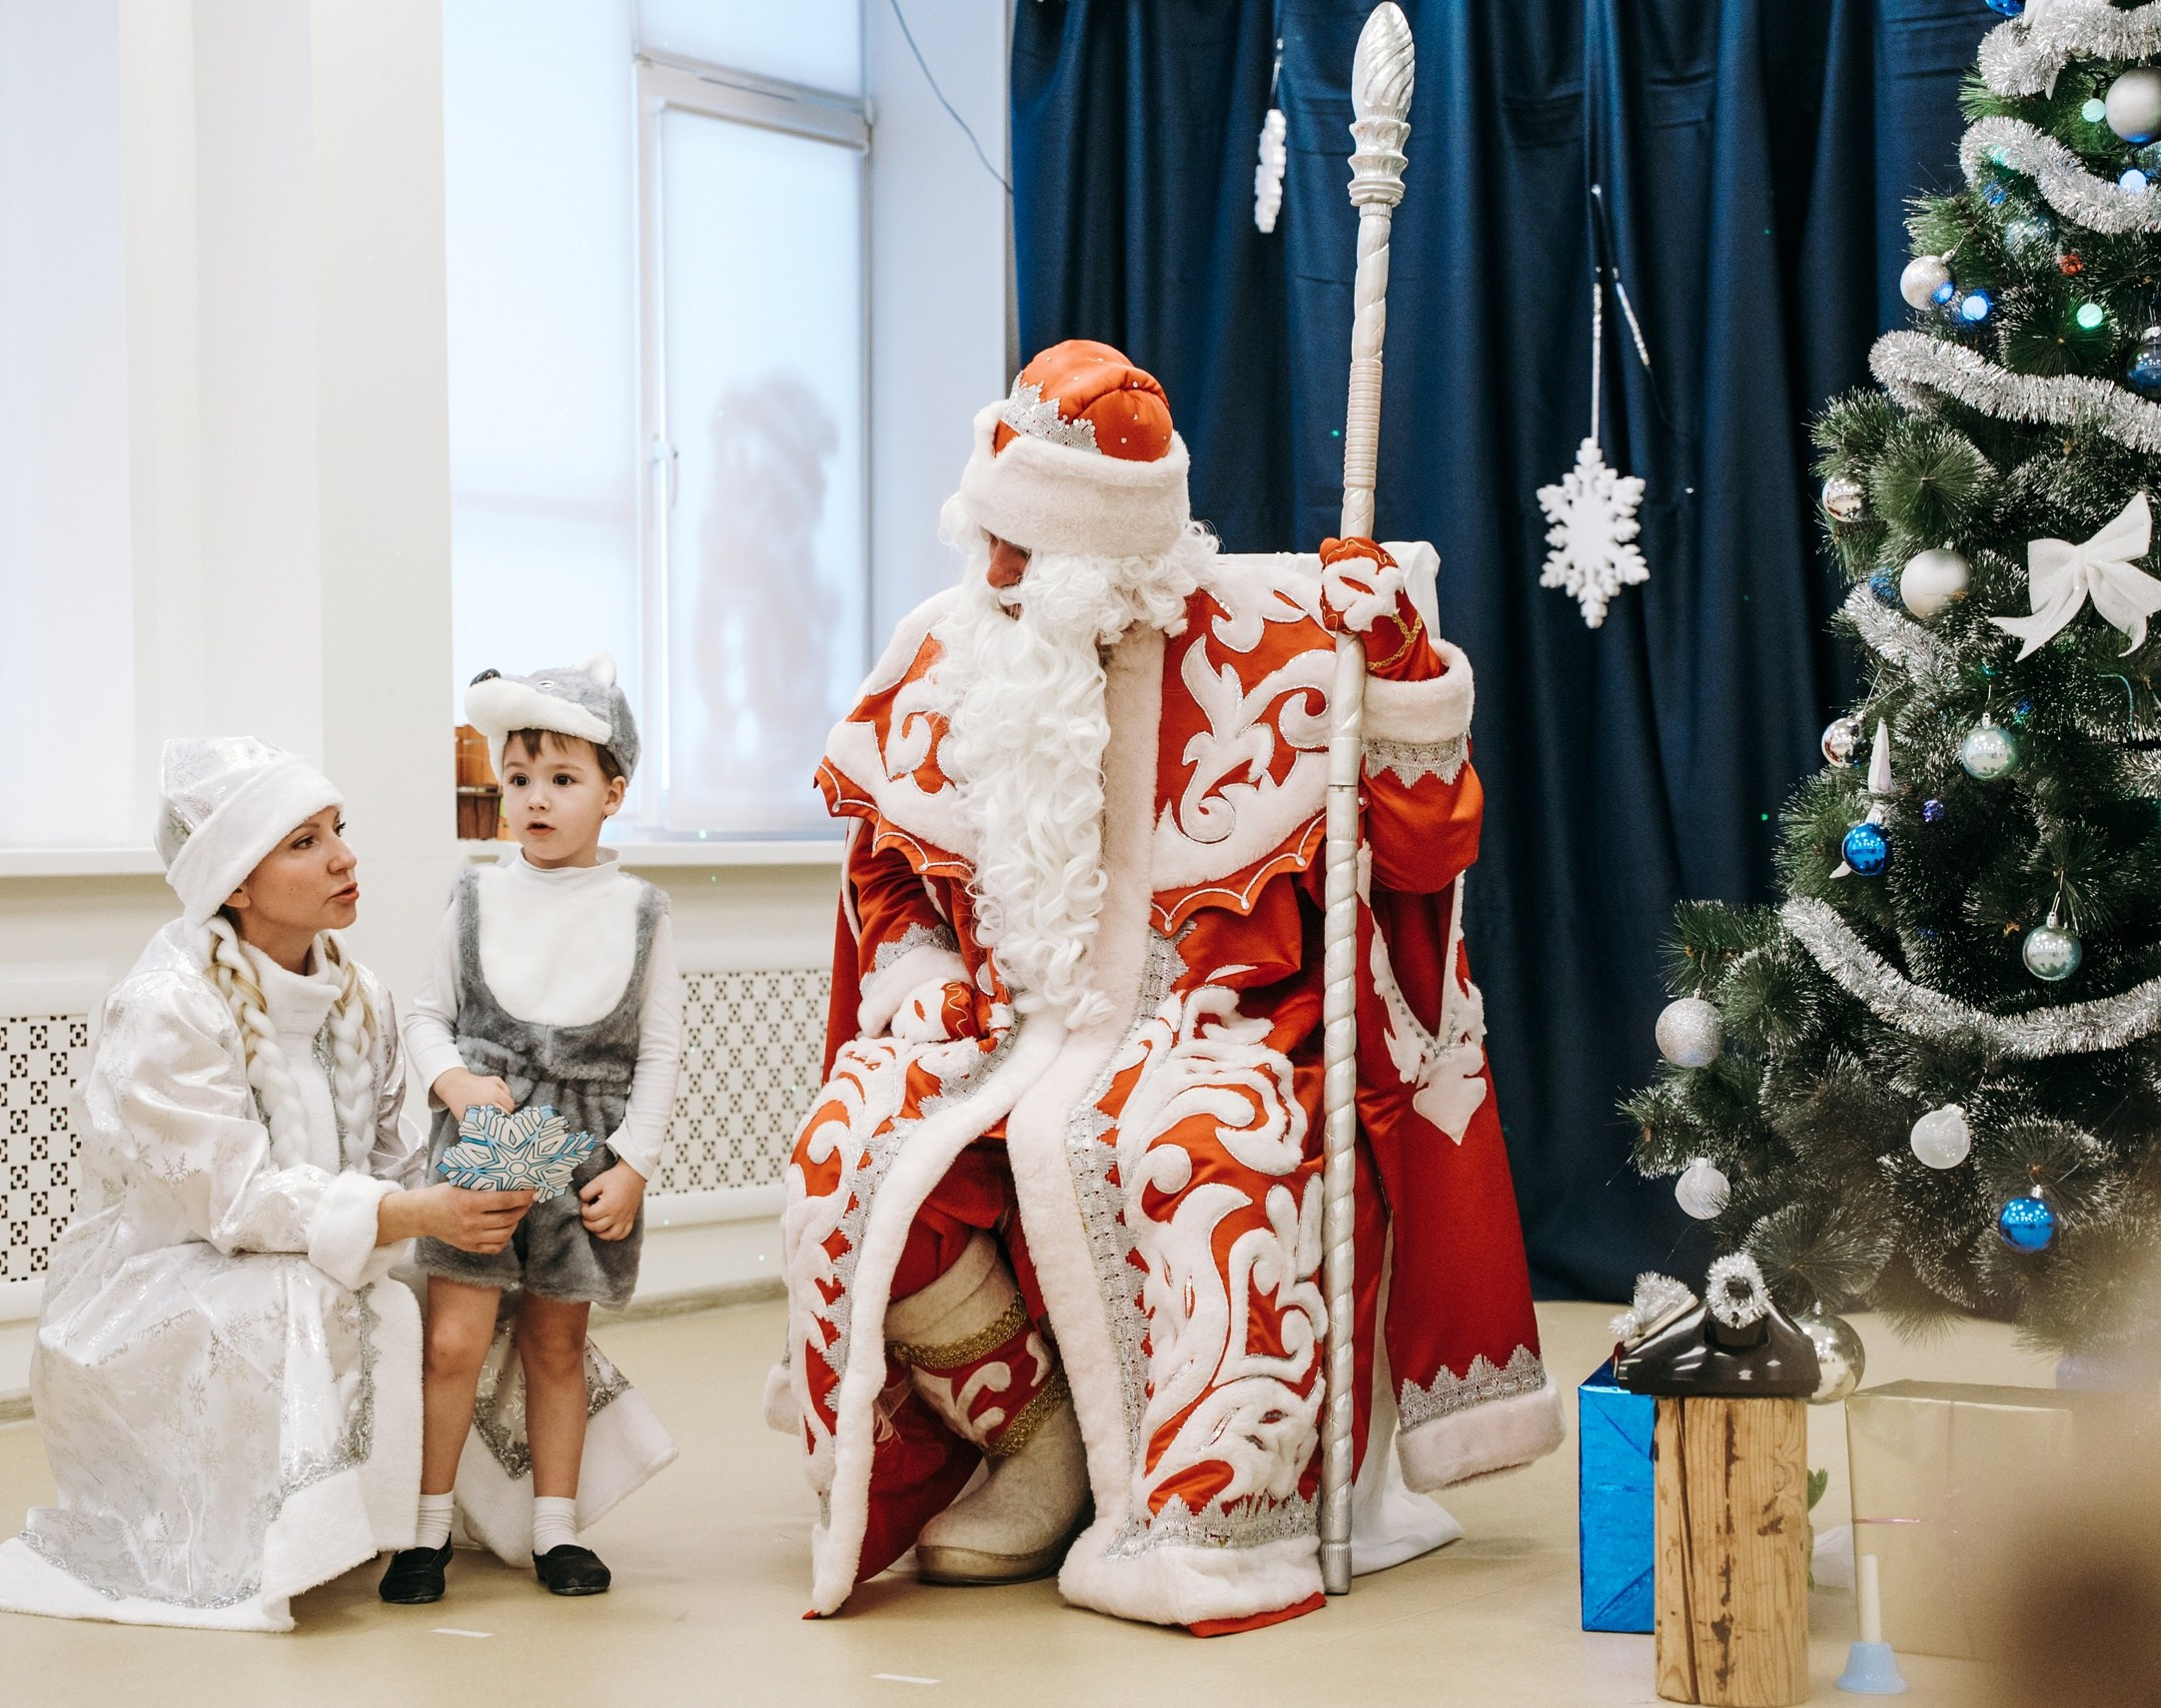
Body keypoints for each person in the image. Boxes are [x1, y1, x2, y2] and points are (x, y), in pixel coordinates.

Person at [772, 341, 1562, 1633]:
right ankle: (1034, 1439)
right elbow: (890, 874)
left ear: (1113, 560)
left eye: (1028, 552)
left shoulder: (1279, 644)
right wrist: (916, 976)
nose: (995, 574)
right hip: (991, 1025)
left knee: (1195, 1154)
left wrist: (1399, 668)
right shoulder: (948, 644)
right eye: (989, 537)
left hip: (1215, 1027)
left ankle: (1201, 1519)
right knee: (845, 1152)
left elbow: (1424, 857)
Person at [0, 738, 537, 1632]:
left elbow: (388, 1159)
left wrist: (474, 1182)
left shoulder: (361, 995)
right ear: (235, 883)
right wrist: (411, 1214)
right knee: (315, 1295)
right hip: (166, 1278)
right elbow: (234, 1203)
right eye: (305, 843)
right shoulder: (166, 1005)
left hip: (323, 1239)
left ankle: (480, 1518)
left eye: (339, 829)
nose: (345, 858)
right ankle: (302, 1536)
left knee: (478, 1285)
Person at [382, 653, 678, 1604]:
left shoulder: (641, 912)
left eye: (561, 779)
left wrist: (633, 1165)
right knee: (453, 1341)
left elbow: (661, 1052)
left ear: (612, 794)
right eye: (517, 780)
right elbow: (424, 1015)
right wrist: (457, 1085)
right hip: (487, 1140)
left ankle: (557, 1529)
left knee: (556, 1345)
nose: (535, 800)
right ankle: (425, 1529)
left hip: (585, 1151)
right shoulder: (474, 897)